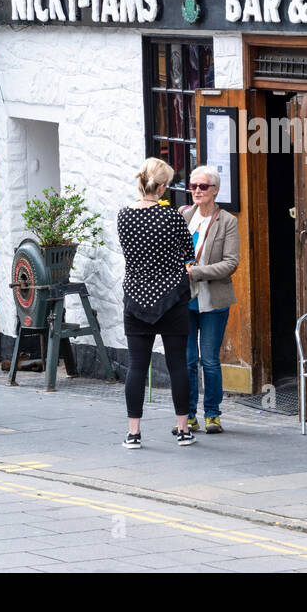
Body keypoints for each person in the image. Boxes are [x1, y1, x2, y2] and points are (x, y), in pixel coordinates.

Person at [116, 157, 195, 449]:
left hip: (136, 298)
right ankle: (183, 430)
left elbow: (129, 253)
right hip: (172, 298)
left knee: (137, 366)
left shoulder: (124, 216)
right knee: (177, 366)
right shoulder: (172, 217)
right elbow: (189, 253)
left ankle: (134, 434)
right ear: (161, 187)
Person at [181, 165, 240, 434]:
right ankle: (189, 415)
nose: (197, 191)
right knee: (188, 359)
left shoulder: (227, 221)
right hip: (186, 301)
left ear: (215, 190)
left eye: (203, 187)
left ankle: (213, 414)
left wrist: (196, 272)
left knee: (210, 361)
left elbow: (231, 263)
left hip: (213, 300)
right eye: (193, 186)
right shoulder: (184, 215)